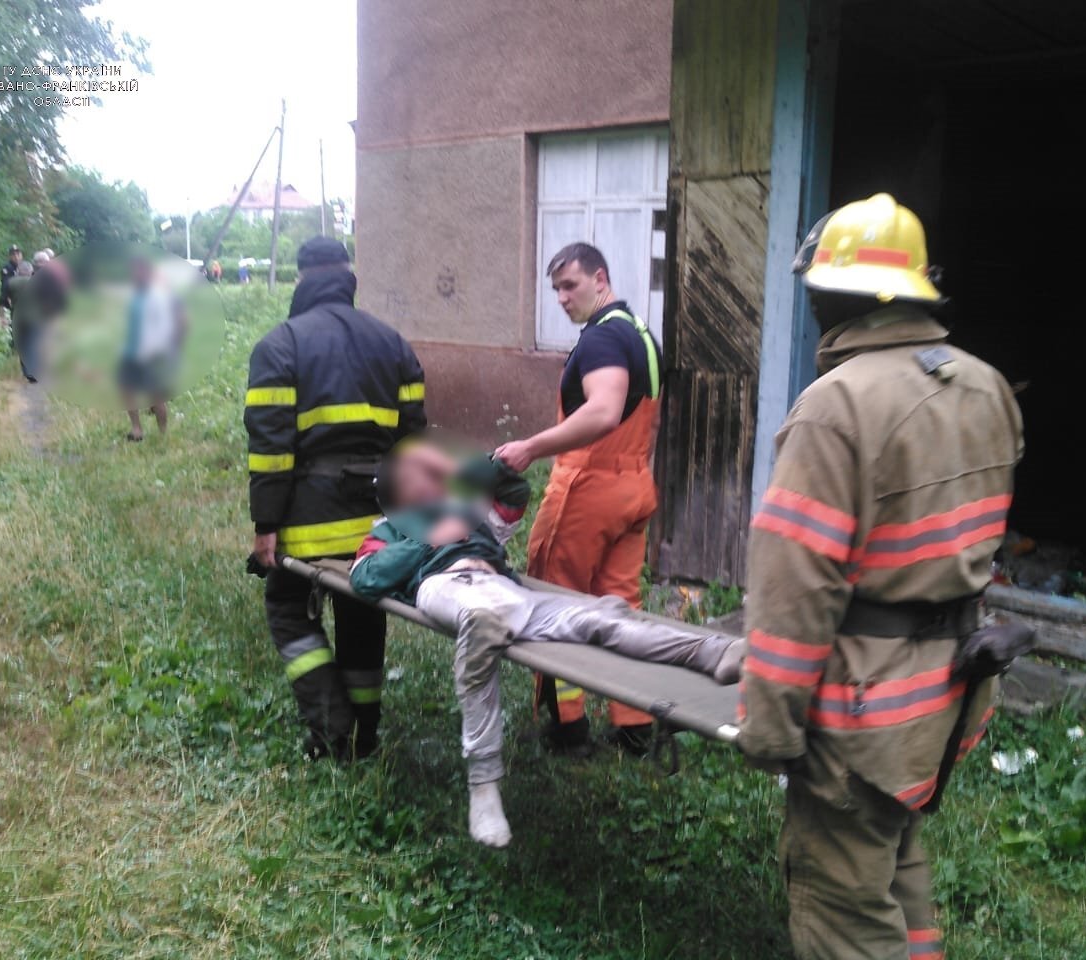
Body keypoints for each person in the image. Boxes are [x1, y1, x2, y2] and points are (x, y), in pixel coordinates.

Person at [737, 194, 1024, 960]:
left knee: (842, 905)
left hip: (863, 710)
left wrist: (771, 729)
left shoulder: (836, 406)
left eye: (817, 291)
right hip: (945, 695)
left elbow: (795, 590)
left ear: (845, 295)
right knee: (896, 860)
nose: (812, 308)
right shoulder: (985, 386)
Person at [350, 440, 742, 848]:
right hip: (447, 588)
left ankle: (714, 652)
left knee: (601, 617)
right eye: (421, 469)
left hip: (506, 592)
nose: (435, 471)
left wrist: (468, 468)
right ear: (399, 489)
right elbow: (365, 577)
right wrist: (428, 541)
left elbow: (513, 493)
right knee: (482, 626)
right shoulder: (392, 527)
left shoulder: (467, 512)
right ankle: (483, 784)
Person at [245, 236, 426, 761]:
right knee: (363, 615)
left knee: (287, 607)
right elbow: (414, 446)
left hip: (307, 524)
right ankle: (364, 735)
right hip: (377, 526)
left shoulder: (280, 346)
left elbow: (271, 451)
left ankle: (331, 724)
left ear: (301, 279)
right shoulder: (394, 344)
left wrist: (266, 526)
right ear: (349, 279)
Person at [495, 242, 663, 756]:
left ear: (600, 279)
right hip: (635, 486)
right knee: (621, 607)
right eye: (556, 290)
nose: (562, 298)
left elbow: (604, 411)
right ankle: (634, 725)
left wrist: (531, 447)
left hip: (589, 488)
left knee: (553, 603)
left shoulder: (602, 337)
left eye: (570, 285)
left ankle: (566, 728)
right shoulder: (640, 333)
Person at [119, 256, 184, 441]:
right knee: (127, 390)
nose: (135, 275)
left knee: (156, 396)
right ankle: (136, 429)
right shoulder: (131, 295)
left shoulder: (159, 296)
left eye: (139, 271)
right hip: (130, 351)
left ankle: (162, 433)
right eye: (133, 271)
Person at [4, 260, 37, 382]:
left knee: (22, 345)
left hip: (17, 318)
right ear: (31, 271)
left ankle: (28, 372)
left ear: (18, 271)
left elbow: (4, 300)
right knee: (32, 343)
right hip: (34, 318)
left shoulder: (10, 282)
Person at [0, 243, 23, 328]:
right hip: (12, 297)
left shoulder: (25, 266)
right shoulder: (7, 268)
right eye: (13, 254)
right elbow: (5, 286)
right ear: (10, 256)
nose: (16, 256)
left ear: (21, 255)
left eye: (18, 254)